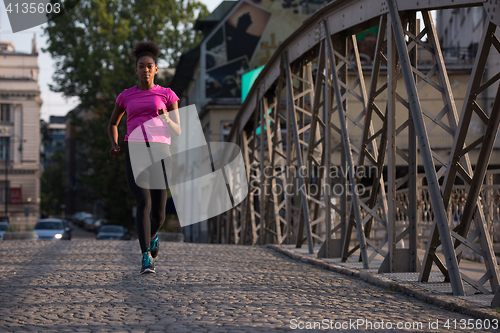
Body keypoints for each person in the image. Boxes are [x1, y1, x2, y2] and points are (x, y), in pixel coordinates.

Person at [108, 41, 181, 275]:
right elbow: (113, 123)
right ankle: (145, 256)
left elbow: (178, 130)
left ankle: (152, 236)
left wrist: (166, 118)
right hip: (136, 150)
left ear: (156, 70)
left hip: (161, 152)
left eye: (150, 66)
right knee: (143, 203)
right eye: (141, 66)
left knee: (159, 213)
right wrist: (115, 143)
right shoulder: (126, 96)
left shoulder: (167, 95)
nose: (146, 70)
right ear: (136, 69)